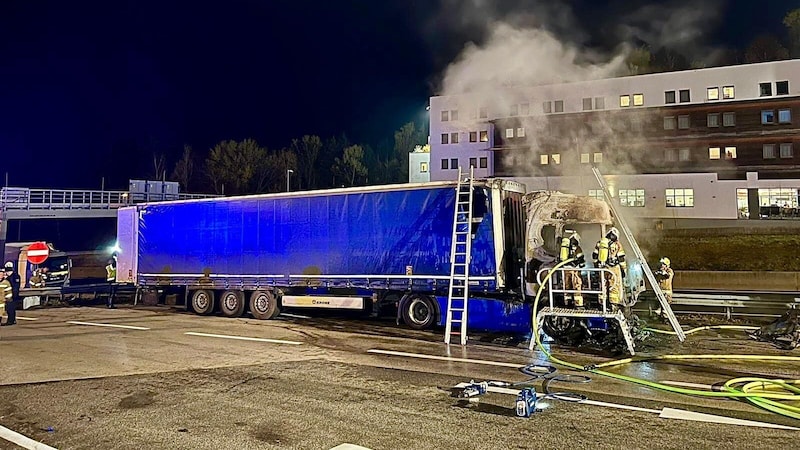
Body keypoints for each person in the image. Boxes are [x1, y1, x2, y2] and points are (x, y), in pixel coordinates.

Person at [592, 227, 627, 310]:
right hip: (614, 268)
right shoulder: (617, 245)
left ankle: (602, 303)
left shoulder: (600, 243)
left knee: (602, 285)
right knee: (614, 285)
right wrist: (623, 270)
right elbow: (621, 259)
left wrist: (596, 267)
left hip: (603, 268)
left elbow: (594, 256)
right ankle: (613, 305)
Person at [558, 231, 585, 308]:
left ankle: (567, 302)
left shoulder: (565, 248)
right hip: (574, 270)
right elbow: (581, 259)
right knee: (577, 286)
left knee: (567, 286)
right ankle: (578, 304)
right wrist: (582, 265)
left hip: (566, 269)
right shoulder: (577, 248)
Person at [2, 262, 19, 326]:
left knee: (10, 309)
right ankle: (12, 320)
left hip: (13, 295)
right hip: (10, 295)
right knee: (10, 309)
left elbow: (15, 287)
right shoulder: (9, 277)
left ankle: (11, 321)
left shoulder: (15, 276)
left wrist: (12, 295)